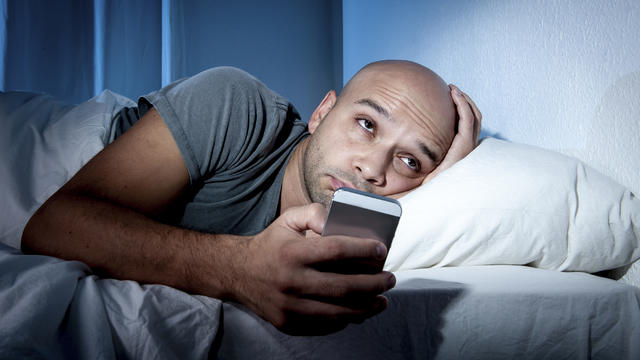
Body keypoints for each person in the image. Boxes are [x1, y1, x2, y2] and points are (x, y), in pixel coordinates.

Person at [21, 60, 481, 335]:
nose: (372, 169)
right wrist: (238, 267)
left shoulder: (374, 217)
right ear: (322, 113)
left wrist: (449, 181)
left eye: (409, 162)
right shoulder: (235, 104)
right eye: (366, 124)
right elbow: (52, 225)